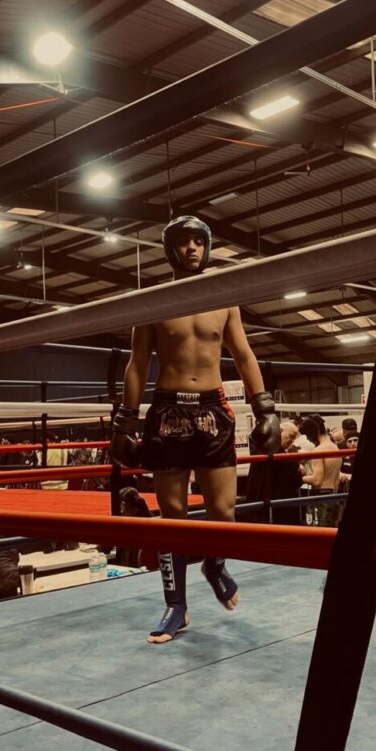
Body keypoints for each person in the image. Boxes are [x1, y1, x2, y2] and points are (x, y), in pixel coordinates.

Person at [110, 215, 280, 643]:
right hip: (167, 411)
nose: (191, 249)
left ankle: (215, 564)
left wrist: (265, 407)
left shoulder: (225, 296)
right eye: (183, 242)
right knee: (174, 517)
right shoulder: (153, 299)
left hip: (213, 409)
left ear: (207, 246)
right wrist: (126, 420)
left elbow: (243, 353)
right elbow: (138, 362)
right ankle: (176, 605)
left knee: (224, 513)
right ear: (170, 250)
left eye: (197, 242)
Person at [244, 419, 303, 524]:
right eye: (291, 436)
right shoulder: (270, 449)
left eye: (294, 438)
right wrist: (296, 466)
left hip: (277, 502)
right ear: (279, 431)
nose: (292, 440)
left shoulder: (280, 452)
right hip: (270, 501)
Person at [299, 415, 342, 526]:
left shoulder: (318, 450)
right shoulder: (335, 448)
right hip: (334, 497)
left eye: (308, 434)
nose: (308, 438)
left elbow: (317, 480)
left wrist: (300, 477)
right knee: (330, 534)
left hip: (321, 497)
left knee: (319, 536)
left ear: (313, 432)